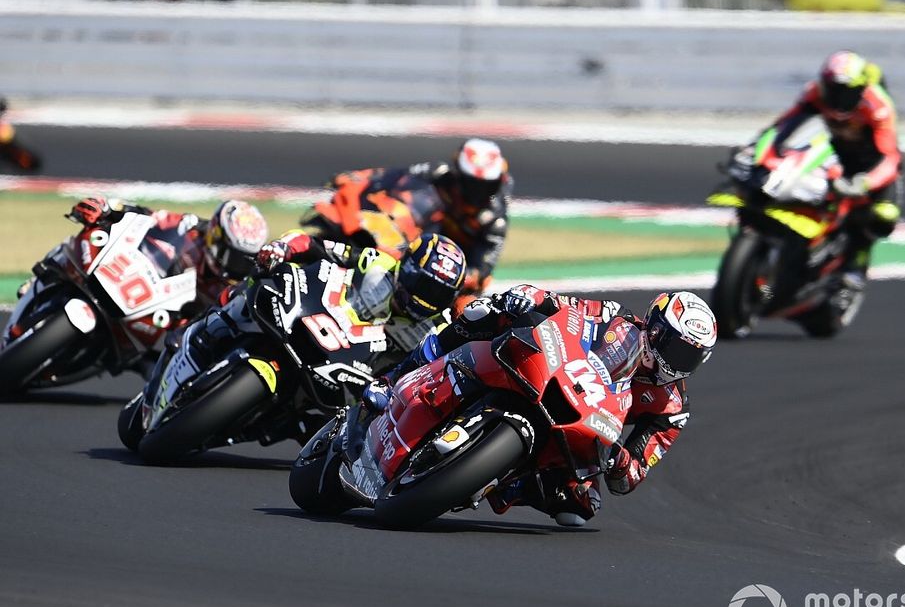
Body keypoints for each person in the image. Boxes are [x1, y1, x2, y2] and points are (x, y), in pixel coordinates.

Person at [360, 284, 718, 527]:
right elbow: (564, 307)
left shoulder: (672, 408)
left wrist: (619, 460)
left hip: (585, 425)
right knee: (482, 313)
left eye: (692, 357)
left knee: (580, 507)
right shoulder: (616, 320)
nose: (679, 362)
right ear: (654, 330)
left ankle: (500, 480)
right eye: (677, 348)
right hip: (549, 374)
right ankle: (394, 377)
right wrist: (528, 297)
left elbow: (631, 478)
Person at [763, 50, 903, 288]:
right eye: (833, 89)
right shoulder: (814, 93)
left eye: (846, 92)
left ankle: (855, 268)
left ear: (861, 88)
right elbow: (783, 127)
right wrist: (763, 153)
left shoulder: (878, 107)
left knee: (882, 216)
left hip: (869, 166)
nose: (838, 98)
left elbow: (890, 159)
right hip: (832, 155)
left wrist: (865, 182)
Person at [324, 138, 512, 310]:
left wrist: (444, 272)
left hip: (446, 277)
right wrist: (361, 177)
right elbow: (396, 176)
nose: (477, 192)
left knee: (466, 309)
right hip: (415, 242)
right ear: (457, 175)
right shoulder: (439, 174)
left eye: (485, 186)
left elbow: (480, 273)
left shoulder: (495, 221)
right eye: (472, 184)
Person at [255, 230, 467, 375]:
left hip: (350, 379)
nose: (426, 298)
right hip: (318, 320)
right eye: (424, 285)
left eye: (438, 294)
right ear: (408, 268)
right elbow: (318, 246)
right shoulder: (378, 262)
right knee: (258, 280)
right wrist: (284, 248)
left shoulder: (434, 331)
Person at [66, 196, 270, 306]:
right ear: (214, 236)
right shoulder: (188, 227)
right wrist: (109, 209)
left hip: (163, 322)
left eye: (242, 260)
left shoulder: (234, 286)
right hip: (130, 282)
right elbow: (148, 216)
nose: (234, 266)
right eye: (230, 256)